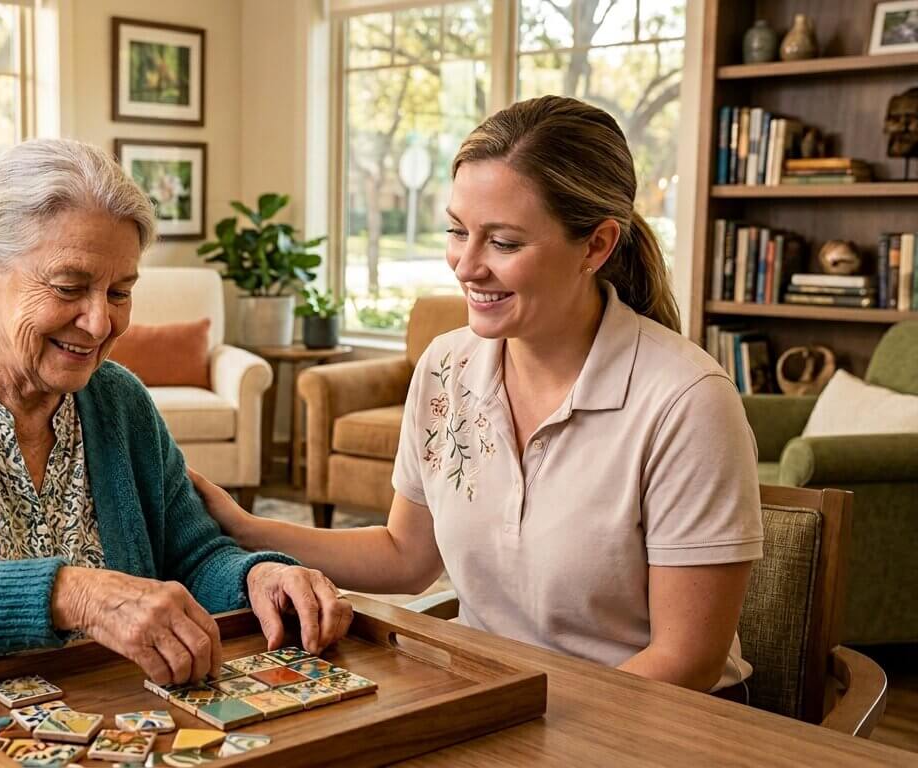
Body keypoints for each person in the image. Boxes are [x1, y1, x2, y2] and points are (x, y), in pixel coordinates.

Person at [195, 96, 763, 697]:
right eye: (457, 231)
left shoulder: (688, 401)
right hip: (495, 698)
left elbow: (687, 662)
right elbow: (406, 557)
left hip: (643, 722)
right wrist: (245, 527)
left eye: (504, 243)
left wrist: (516, 718)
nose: (466, 266)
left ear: (595, 247)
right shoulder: (446, 366)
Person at [0, 139, 352, 728]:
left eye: (120, 292)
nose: (100, 322)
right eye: (69, 287)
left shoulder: (121, 400)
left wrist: (259, 576)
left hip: (90, 716)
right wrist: (73, 595)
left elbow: (193, 553)